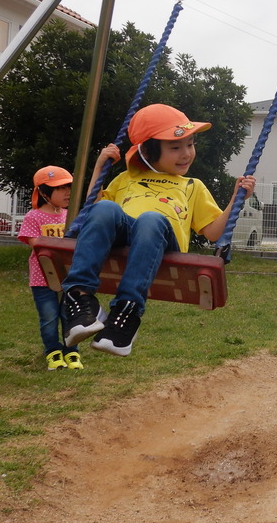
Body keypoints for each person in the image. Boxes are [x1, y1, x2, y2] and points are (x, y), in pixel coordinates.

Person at [59, 103, 256, 357]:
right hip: (125, 237)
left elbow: (212, 232)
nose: (186, 153)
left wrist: (236, 199)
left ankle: (127, 311)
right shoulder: (126, 179)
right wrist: (99, 167)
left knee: (150, 219)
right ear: (149, 152)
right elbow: (92, 212)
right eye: (175, 147)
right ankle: (80, 298)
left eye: (190, 144)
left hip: (161, 241)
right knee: (105, 208)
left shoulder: (192, 186)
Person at [18, 166, 82, 370]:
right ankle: (53, 353)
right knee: (48, 316)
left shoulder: (70, 216)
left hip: (69, 277)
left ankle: (72, 352)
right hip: (42, 278)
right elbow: (34, 243)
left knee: (70, 315)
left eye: (68, 187)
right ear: (44, 192)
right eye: (60, 188)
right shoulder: (34, 217)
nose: (67, 192)